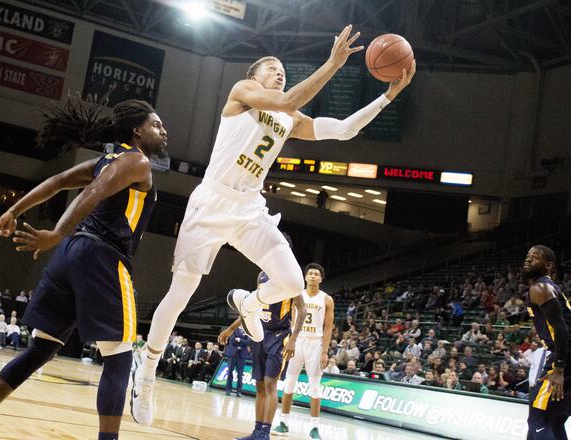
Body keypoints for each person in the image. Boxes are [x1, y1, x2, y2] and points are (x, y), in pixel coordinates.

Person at [130, 25, 415, 426]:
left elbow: (345, 129)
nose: (280, 72)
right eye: (273, 67)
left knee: (294, 282)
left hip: (249, 208)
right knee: (181, 293)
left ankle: (251, 302)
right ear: (255, 75)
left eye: (283, 69)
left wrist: (388, 95)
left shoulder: (288, 119)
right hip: (211, 201)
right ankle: (146, 369)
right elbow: (287, 98)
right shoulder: (243, 94)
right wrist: (333, 64)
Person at [0, 98, 167, 440]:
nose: (163, 130)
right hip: (102, 258)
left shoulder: (104, 160)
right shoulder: (136, 161)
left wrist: (14, 210)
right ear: (137, 131)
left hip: (69, 257)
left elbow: (57, 182)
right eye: (156, 125)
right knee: (120, 356)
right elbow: (93, 192)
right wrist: (56, 232)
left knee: (41, 348)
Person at [220, 270, 306, 440]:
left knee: (270, 383)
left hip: (280, 335)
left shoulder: (291, 275)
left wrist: (293, 339)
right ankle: (256, 432)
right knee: (259, 384)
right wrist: (231, 328)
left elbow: (302, 310)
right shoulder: (261, 275)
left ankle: (265, 433)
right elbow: (251, 306)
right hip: (259, 332)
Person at [522, 245, 571, 439]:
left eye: (535, 257)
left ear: (548, 265)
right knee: (553, 421)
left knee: (538, 419)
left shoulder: (540, 287)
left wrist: (559, 370)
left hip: (568, 357)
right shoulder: (545, 287)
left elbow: (561, 329)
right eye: (528, 256)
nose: (528, 259)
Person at [273, 264, 334, 439]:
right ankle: (283, 423)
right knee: (289, 383)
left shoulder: (327, 299)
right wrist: (289, 340)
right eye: (310, 274)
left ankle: (315, 428)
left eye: (316, 274)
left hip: (315, 344)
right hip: (297, 342)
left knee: (315, 388)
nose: (313, 276)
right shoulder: (296, 296)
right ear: (305, 277)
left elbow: (328, 327)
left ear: (321, 279)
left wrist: (324, 351)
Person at [223, 327, 250, 396]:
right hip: (232, 354)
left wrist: (239, 339)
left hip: (241, 355)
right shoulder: (234, 329)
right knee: (229, 373)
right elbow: (232, 340)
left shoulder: (248, 330)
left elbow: (248, 341)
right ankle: (228, 389)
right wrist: (242, 340)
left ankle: (239, 391)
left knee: (240, 374)